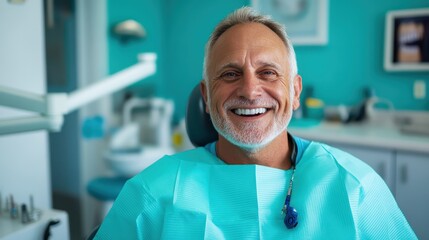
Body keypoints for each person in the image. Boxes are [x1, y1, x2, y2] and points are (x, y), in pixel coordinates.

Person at [95, 7, 416, 239]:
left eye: (268, 73)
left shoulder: (354, 188)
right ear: (206, 97)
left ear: (295, 90)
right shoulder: (152, 193)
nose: (250, 91)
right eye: (230, 74)